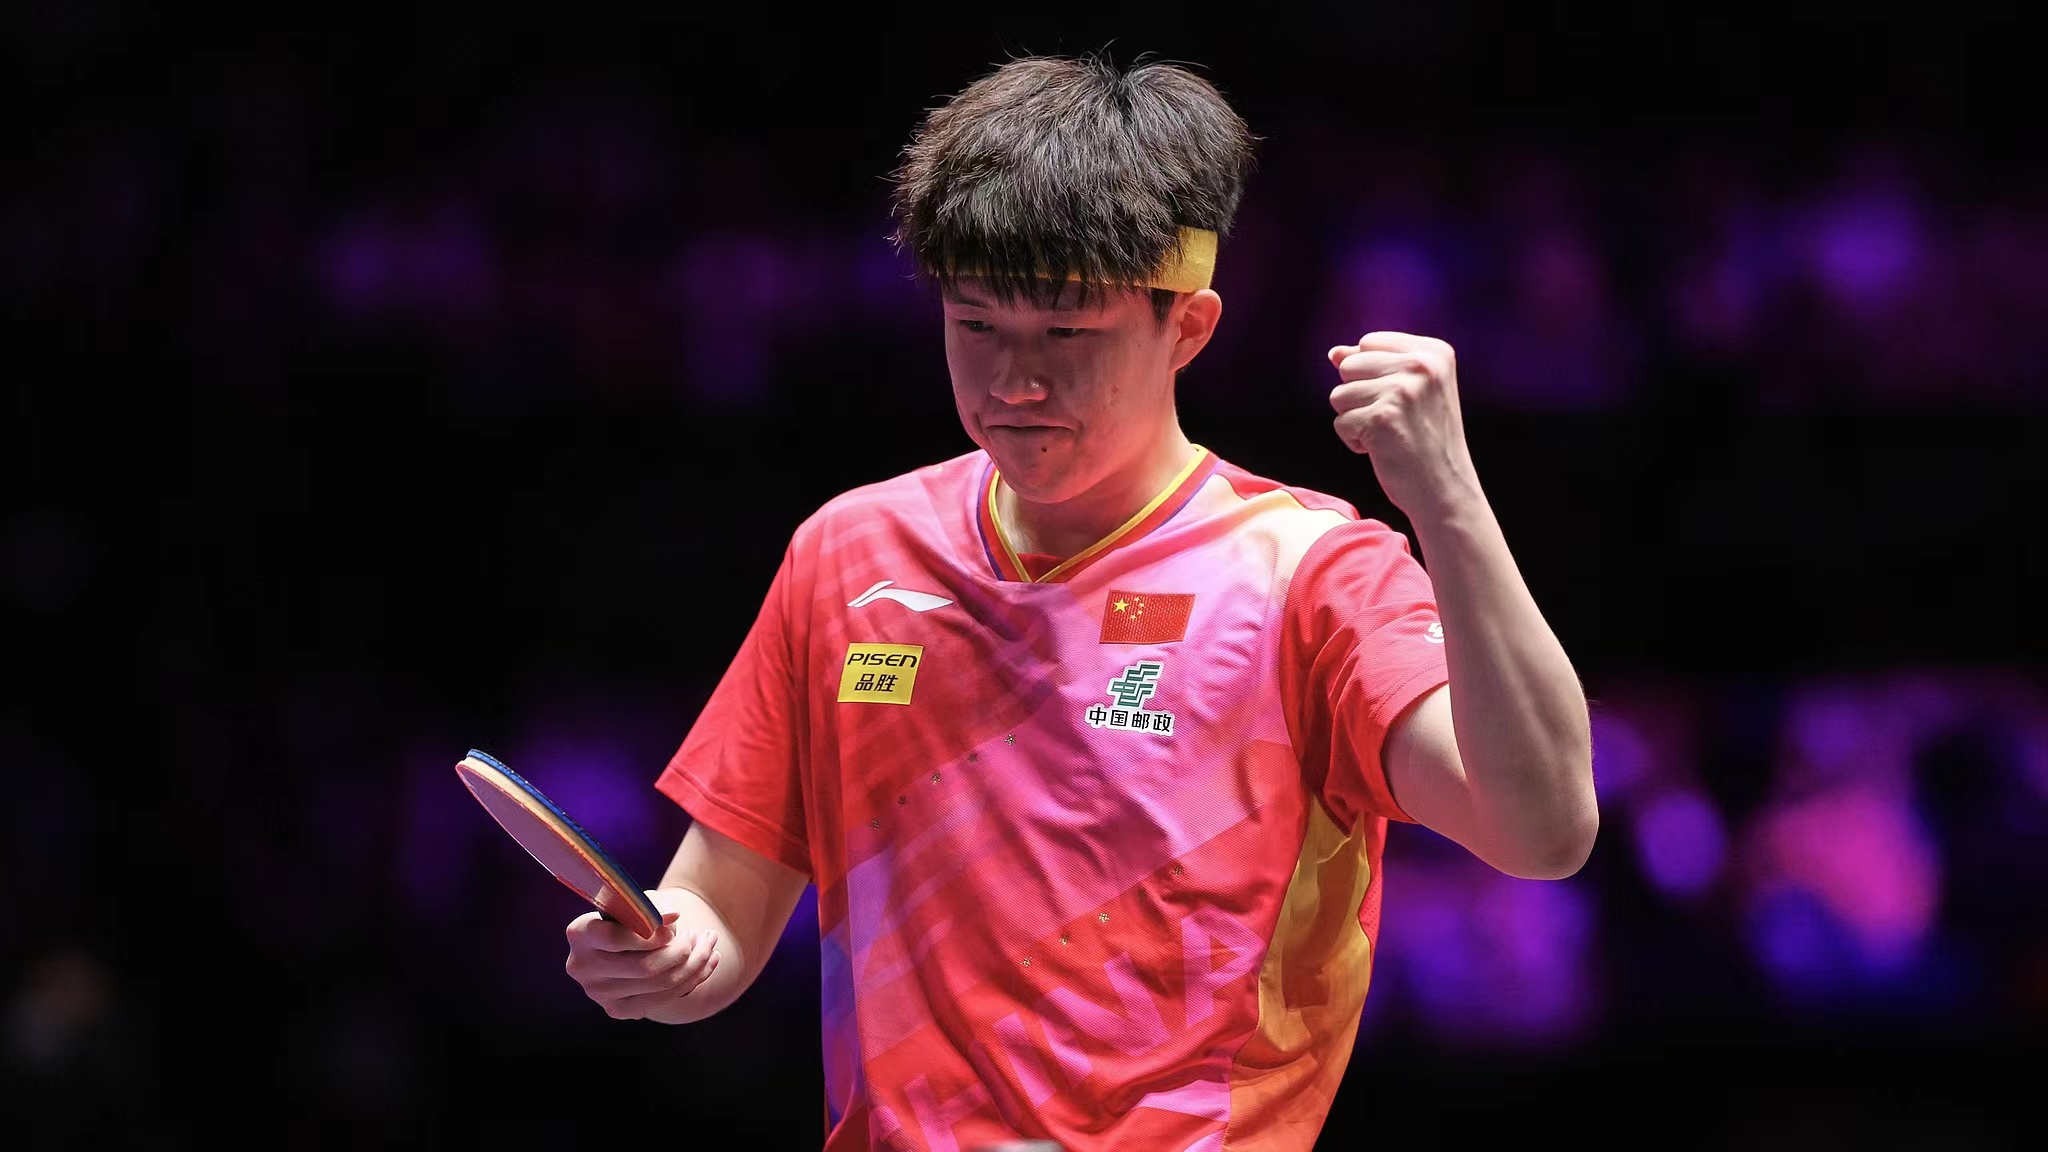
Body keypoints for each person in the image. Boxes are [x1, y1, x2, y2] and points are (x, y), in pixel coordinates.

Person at [563, 52, 1597, 1151]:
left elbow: (1540, 829)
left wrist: (1446, 500)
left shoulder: (1305, 576)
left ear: (1185, 329)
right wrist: (666, 952)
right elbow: (720, 916)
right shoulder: (850, 552)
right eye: (976, 327)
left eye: (1066, 335)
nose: (1014, 381)